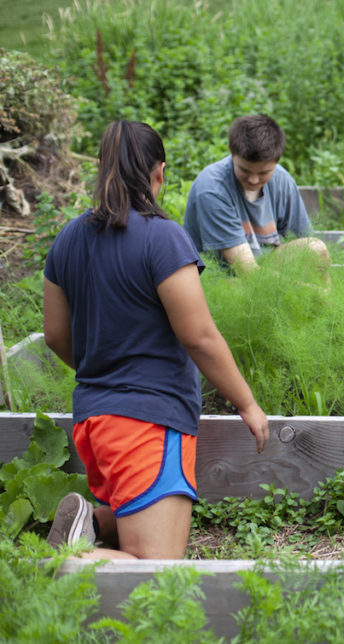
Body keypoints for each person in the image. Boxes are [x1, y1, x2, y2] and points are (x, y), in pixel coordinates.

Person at [43, 120, 269, 560]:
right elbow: (199, 337)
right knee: (157, 569)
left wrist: (104, 369)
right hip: (146, 424)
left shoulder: (67, 239)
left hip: (94, 423)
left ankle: (90, 521)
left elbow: (54, 336)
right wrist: (246, 403)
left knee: (135, 512)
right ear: (159, 173)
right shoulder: (162, 237)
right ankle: (44, 565)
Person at [184, 114, 328, 273]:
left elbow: (304, 245)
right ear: (231, 152)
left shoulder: (282, 181)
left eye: (263, 173)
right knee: (236, 287)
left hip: (264, 271)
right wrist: (310, 292)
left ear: (277, 160)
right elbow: (247, 272)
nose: (253, 180)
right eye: (245, 170)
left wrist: (319, 294)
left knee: (315, 249)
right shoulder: (212, 188)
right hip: (223, 277)